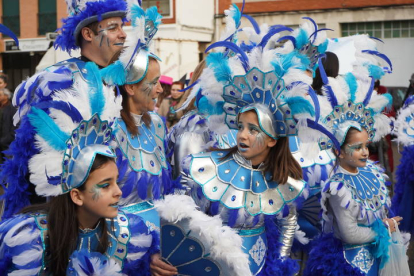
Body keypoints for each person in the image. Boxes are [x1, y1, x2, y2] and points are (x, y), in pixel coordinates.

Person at [0, 62, 157, 275]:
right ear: (76, 195)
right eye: (105, 185)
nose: (118, 192)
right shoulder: (29, 238)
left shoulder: (131, 233)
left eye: (115, 181)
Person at [0, 0, 128, 219]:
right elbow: (29, 159)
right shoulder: (60, 81)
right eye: (114, 27)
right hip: (61, 216)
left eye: (122, 26)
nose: (123, 34)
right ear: (88, 34)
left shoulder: (111, 83)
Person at [303, 67, 409, 275]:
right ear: (339, 152)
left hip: (376, 257)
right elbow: (349, 233)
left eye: (366, 146)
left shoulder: (372, 172)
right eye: (357, 148)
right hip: (348, 264)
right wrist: (384, 228)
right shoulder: (337, 188)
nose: (365, 153)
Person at [100, 4, 179, 275]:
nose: (160, 89)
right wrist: (140, 253)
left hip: (162, 246)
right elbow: (98, 204)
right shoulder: (109, 130)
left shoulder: (157, 124)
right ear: (131, 87)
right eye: (154, 81)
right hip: (121, 249)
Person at [0, 89, 16, 165]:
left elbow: (15, 126)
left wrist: (5, 140)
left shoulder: (12, 108)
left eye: (0, 95)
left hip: (8, 144)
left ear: (6, 96)